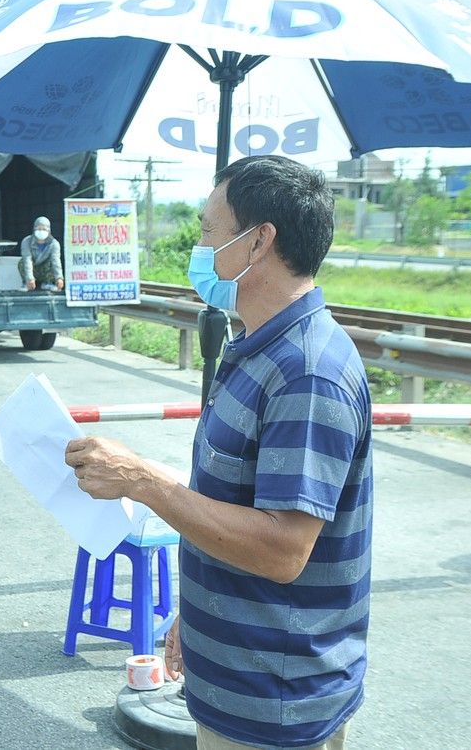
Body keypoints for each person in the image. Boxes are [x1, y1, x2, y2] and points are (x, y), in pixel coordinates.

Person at [64, 155, 372, 750]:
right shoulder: (257, 347)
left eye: (208, 231)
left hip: (275, 702)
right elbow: (234, 506)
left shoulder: (307, 372)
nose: (199, 248)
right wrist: (199, 616)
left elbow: (283, 549)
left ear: (259, 242)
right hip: (238, 680)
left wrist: (143, 479)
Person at [18, 215, 64, 291]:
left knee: (52, 262)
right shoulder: (26, 241)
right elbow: (27, 260)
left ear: (49, 230)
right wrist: (29, 278)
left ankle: (48, 283)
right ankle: (26, 283)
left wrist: (59, 278)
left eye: (44, 229)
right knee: (22, 262)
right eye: (39, 228)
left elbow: (56, 261)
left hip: (45, 270)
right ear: (34, 229)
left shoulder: (54, 243)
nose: (41, 231)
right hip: (33, 269)